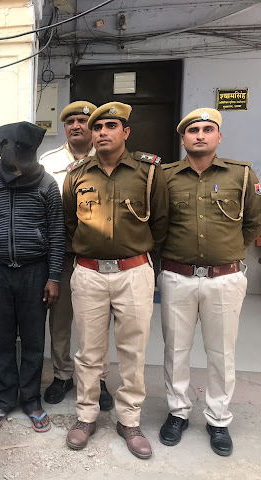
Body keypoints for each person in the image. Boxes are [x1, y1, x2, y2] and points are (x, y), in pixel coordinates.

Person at [62, 102, 168, 459]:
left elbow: (161, 223)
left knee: (133, 351)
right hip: (89, 273)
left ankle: (129, 421)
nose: (102, 132)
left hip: (134, 272)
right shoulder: (77, 174)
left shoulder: (149, 173)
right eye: (97, 127)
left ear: (126, 132)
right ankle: (86, 416)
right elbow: (70, 223)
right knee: (88, 352)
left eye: (111, 126)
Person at [158, 108, 261, 456]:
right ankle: (178, 412)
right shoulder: (166, 177)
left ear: (219, 136)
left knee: (221, 352)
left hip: (224, 278)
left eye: (207, 129)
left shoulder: (241, 175)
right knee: (175, 350)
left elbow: (253, 222)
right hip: (178, 276)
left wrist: (227, 251)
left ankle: (218, 418)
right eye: (193, 130)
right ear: (183, 139)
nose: (199, 135)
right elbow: (158, 225)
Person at [0, 121, 66, 433]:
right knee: (2, 340)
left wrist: (53, 277)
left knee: (34, 340)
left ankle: (31, 399)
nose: (8, 152)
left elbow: (57, 233)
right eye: (3, 146)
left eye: (13, 147)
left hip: (34, 272)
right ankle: (3, 398)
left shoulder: (46, 185)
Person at [38, 101, 114, 410]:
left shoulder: (108, 158)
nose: (76, 126)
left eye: (83, 120)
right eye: (70, 122)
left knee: (96, 323)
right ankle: (62, 374)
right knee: (60, 321)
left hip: (97, 257)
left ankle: (98, 379)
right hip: (62, 256)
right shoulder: (49, 161)